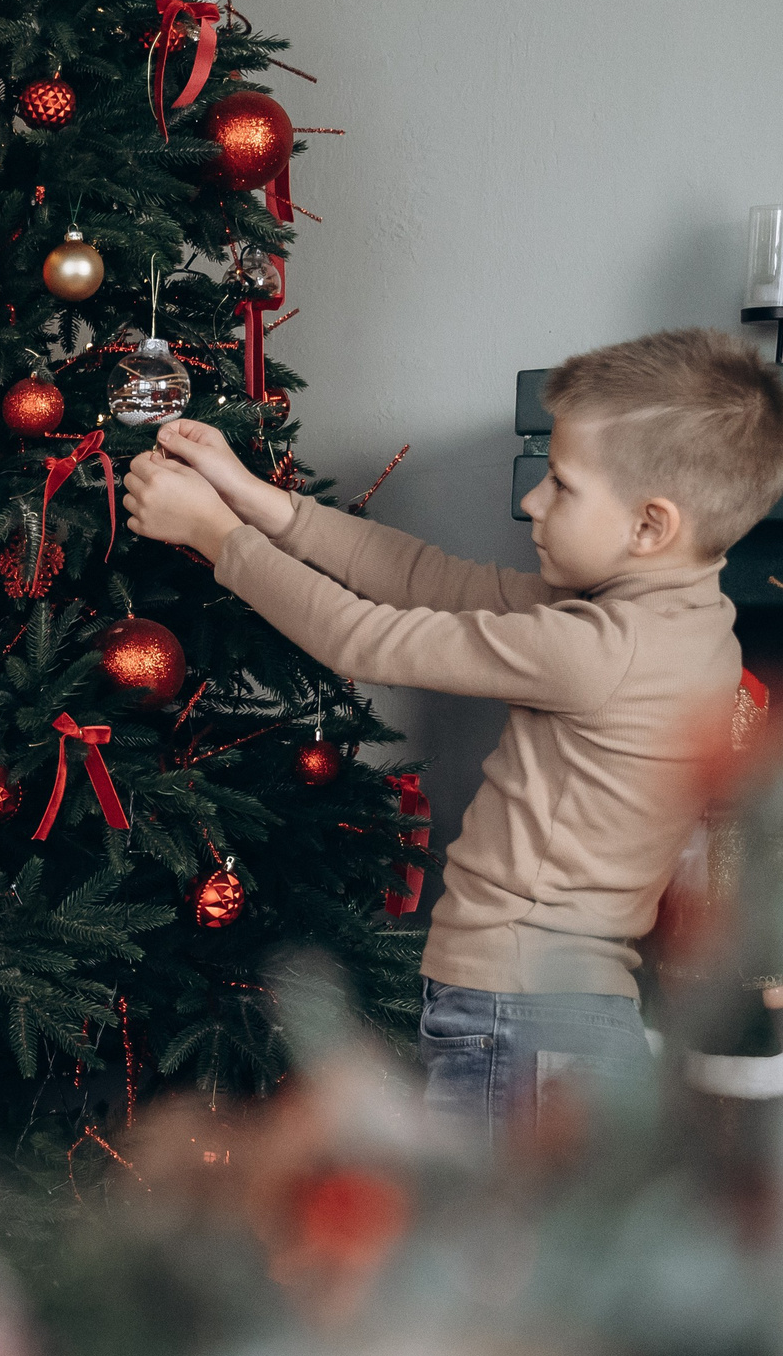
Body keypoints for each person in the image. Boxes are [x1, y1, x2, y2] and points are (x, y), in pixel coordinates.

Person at [123, 328, 783, 1145]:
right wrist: (258, 499)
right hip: (548, 1015)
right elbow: (426, 579)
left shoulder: (597, 650)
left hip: (524, 1017)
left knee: (489, 1264)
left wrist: (216, 538)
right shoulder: (676, 621)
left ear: (651, 526)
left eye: (564, 485)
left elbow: (364, 640)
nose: (535, 501)